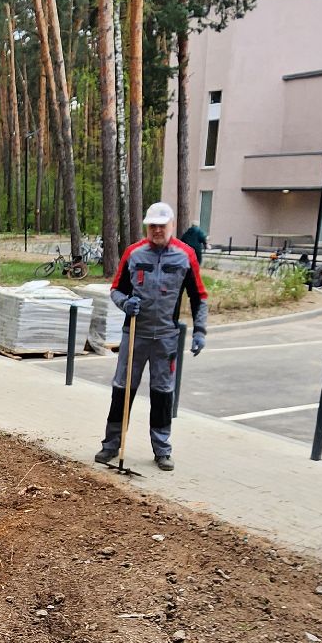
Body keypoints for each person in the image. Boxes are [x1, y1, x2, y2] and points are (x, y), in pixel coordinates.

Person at [95, 201, 207, 472]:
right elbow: (116, 290)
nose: (157, 230)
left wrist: (200, 331)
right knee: (122, 390)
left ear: (171, 226)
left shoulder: (186, 255)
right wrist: (125, 303)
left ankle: (162, 450)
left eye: (162, 225)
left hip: (166, 338)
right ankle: (111, 444)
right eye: (152, 226)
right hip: (135, 335)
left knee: (162, 394)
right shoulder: (133, 253)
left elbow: (198, 297)